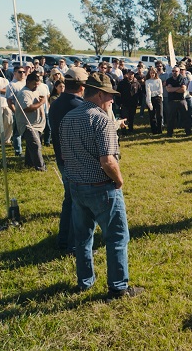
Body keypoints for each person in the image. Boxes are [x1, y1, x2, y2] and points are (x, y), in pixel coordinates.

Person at [60, 72, 143, 300]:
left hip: (76, 186)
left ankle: (85, 281)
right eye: (109, 95)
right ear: (98, 94)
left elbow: (65, 156)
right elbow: (108, 161)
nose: (112, 100)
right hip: (101, 187)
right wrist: (119, 180)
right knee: (117, 237)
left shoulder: (68, 118)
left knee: (82, 238)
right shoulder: (101, 119)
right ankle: (118, 287)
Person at [49, 68, 87, 254]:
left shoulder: (56, 103)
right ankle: (73, 245)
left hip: (62, 158)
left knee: (70, 200)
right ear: (81, 86)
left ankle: (64, 240)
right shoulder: (79, 106)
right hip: (75, 161)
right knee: (77, 204)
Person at [14, 73, 47, 171]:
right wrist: (41, 102)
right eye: (34, 84)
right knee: (35, 144)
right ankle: (41, 168)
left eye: (37, 84)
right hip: (27, 124)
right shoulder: (24, 93)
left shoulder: (35, 91)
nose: (36, 86)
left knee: (31, 145)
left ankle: (29, 164)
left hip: (37, 124)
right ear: (28, 82)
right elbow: (27, 108)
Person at [165, 66, 191, 137]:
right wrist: (179, 87)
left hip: (181, 100)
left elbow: (183, 90)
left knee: (185, 117)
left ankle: (188, 132)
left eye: (176, 71)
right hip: (172, 101)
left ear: (179, 72)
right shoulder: (169, 80)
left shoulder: (182, 79)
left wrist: (173, 88)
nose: (174, 72)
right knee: (170, 118)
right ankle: (169, 133)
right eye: (173, 71)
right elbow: (168, 90)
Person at [145, 67, 164, 134]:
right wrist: (149, 102)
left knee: (159, 115)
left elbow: (160, 91)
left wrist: (153, 93)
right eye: (151, 73)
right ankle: (154, 130)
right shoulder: (147, 81)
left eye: (153, 73)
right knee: (152, 115)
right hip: (150, 98)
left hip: (158, 98)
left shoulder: (159, 80)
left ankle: (159, 129)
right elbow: (148, 92)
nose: (152, 74)